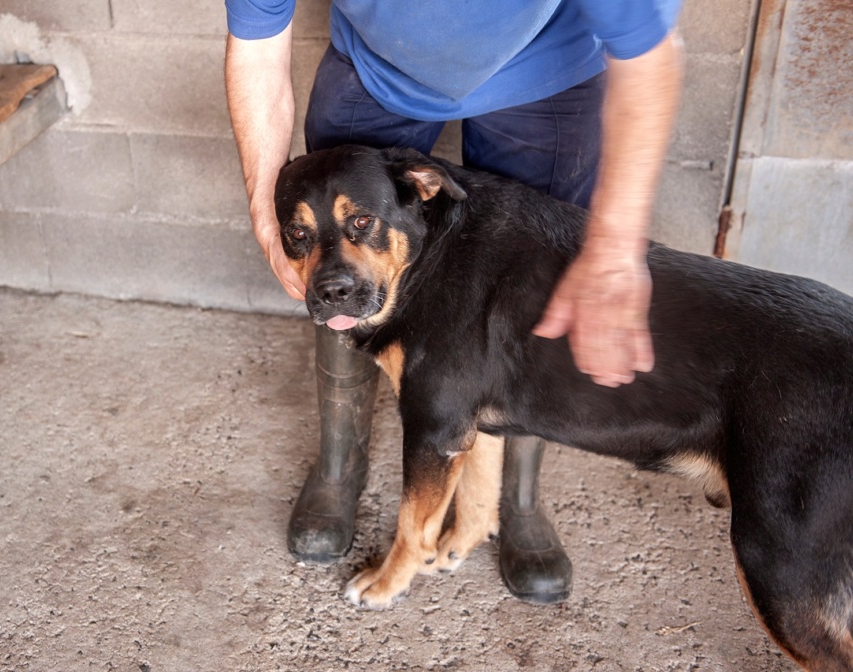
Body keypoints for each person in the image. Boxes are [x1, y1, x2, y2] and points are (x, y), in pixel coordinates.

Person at [224, 1, 683, 604]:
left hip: (548, 71)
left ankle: (513, 497)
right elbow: (256, 44)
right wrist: (265, 206)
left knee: (536, 290)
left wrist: (617, 249)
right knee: (337, 260)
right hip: (375, 66)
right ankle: (340, 466)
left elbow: (649, 52)